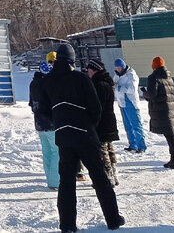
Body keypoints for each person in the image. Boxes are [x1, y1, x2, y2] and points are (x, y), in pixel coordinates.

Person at [40, 43, 124, 232]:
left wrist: (60, 122)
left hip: (63, 136)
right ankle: (113, 219)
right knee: (100, 178)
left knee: (67, 183)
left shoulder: (48, 81)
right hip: (85, 135)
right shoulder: (80, 78)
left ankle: (68, 225)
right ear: (72, 60)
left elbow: (43, 110)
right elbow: (95, 108)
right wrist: (88, 126)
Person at [143, 56, 174, 169]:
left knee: (170, 136)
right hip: (169, 109)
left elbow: (152, 94)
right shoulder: (169, 77)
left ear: (154, 65)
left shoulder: (153, 77)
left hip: (160, 110)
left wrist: (144, 93)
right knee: (169, 135)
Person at [86, 60, 120, 186]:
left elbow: (97, 106)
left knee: (102, 150)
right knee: (109, 147)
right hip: (109, 120)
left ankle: (107, 177)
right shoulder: (107, 82)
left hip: (102, 122)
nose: (88, 72)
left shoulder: (98, 84)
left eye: (89, 70)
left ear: (94, 70)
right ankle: (114, 174)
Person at [29, 54, 60, 190]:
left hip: (39, 123)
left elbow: (31, 103)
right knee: (56, 152)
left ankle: (50, 179)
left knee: (46, 152)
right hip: (51, 123)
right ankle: (56, 181)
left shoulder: (33, 83)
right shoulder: (49, 83)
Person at [113, 59, 146, 153]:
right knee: (128, 125)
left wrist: (118, 87)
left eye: (120, 67)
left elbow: (132, 89)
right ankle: (133, 145)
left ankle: (141, 146)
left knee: (136, 125)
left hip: (130, 102)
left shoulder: (131, 75)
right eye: (117, 67)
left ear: (123, 66)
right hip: (121, 102)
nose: (118, 69)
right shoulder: (116, 75)